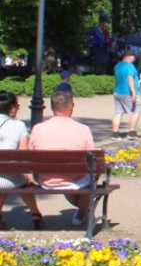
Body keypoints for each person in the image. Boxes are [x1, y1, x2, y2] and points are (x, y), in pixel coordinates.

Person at [29, 90, 96, 226]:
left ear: (52, 107)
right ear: (71, 106)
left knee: (76, 177)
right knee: (91, 179)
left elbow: (31, 155)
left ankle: (82, 211)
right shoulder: (83, 129)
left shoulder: (38, 129)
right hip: (75, 179)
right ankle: (82, 213)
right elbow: (91, 157)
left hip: (46, 179)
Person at [0, 91, 45, 229]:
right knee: (19, 179)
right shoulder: (18, 125)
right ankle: (36, 213)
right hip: (9, 179)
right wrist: (29, 176)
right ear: (12, 108)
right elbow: (24, 156)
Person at [111, 49, 141, 140]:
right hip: (127, 92)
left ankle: (115, 134)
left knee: (118, 112)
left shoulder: (117, 65)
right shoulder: (130, 66)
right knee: (136, 111)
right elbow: (130, 78)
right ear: (129, 56)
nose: (135, 59)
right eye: (134, 57)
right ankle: (132, 132)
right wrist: (133, 92)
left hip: (117, 92)